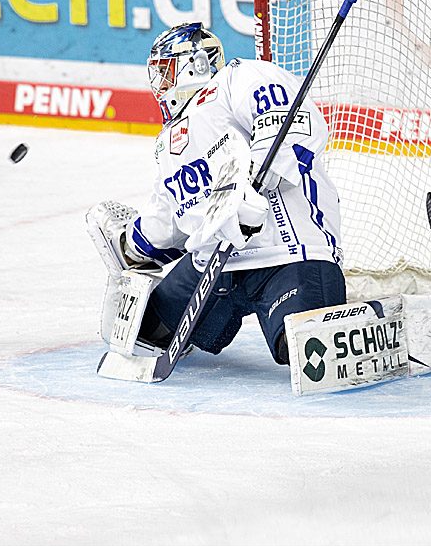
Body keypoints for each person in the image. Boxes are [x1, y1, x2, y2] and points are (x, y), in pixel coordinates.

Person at [87, 22, 346, 367]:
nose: (160, 85)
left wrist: (256, 178)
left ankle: (382, 328)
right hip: (214, 267)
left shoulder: (236, 79)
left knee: (310, 352)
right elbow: (172, 215)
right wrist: (132, 246)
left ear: (196, 63)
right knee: (148, 333)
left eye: (165, 72)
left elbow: (292, 121)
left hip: (284, 253)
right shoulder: (168, 141)